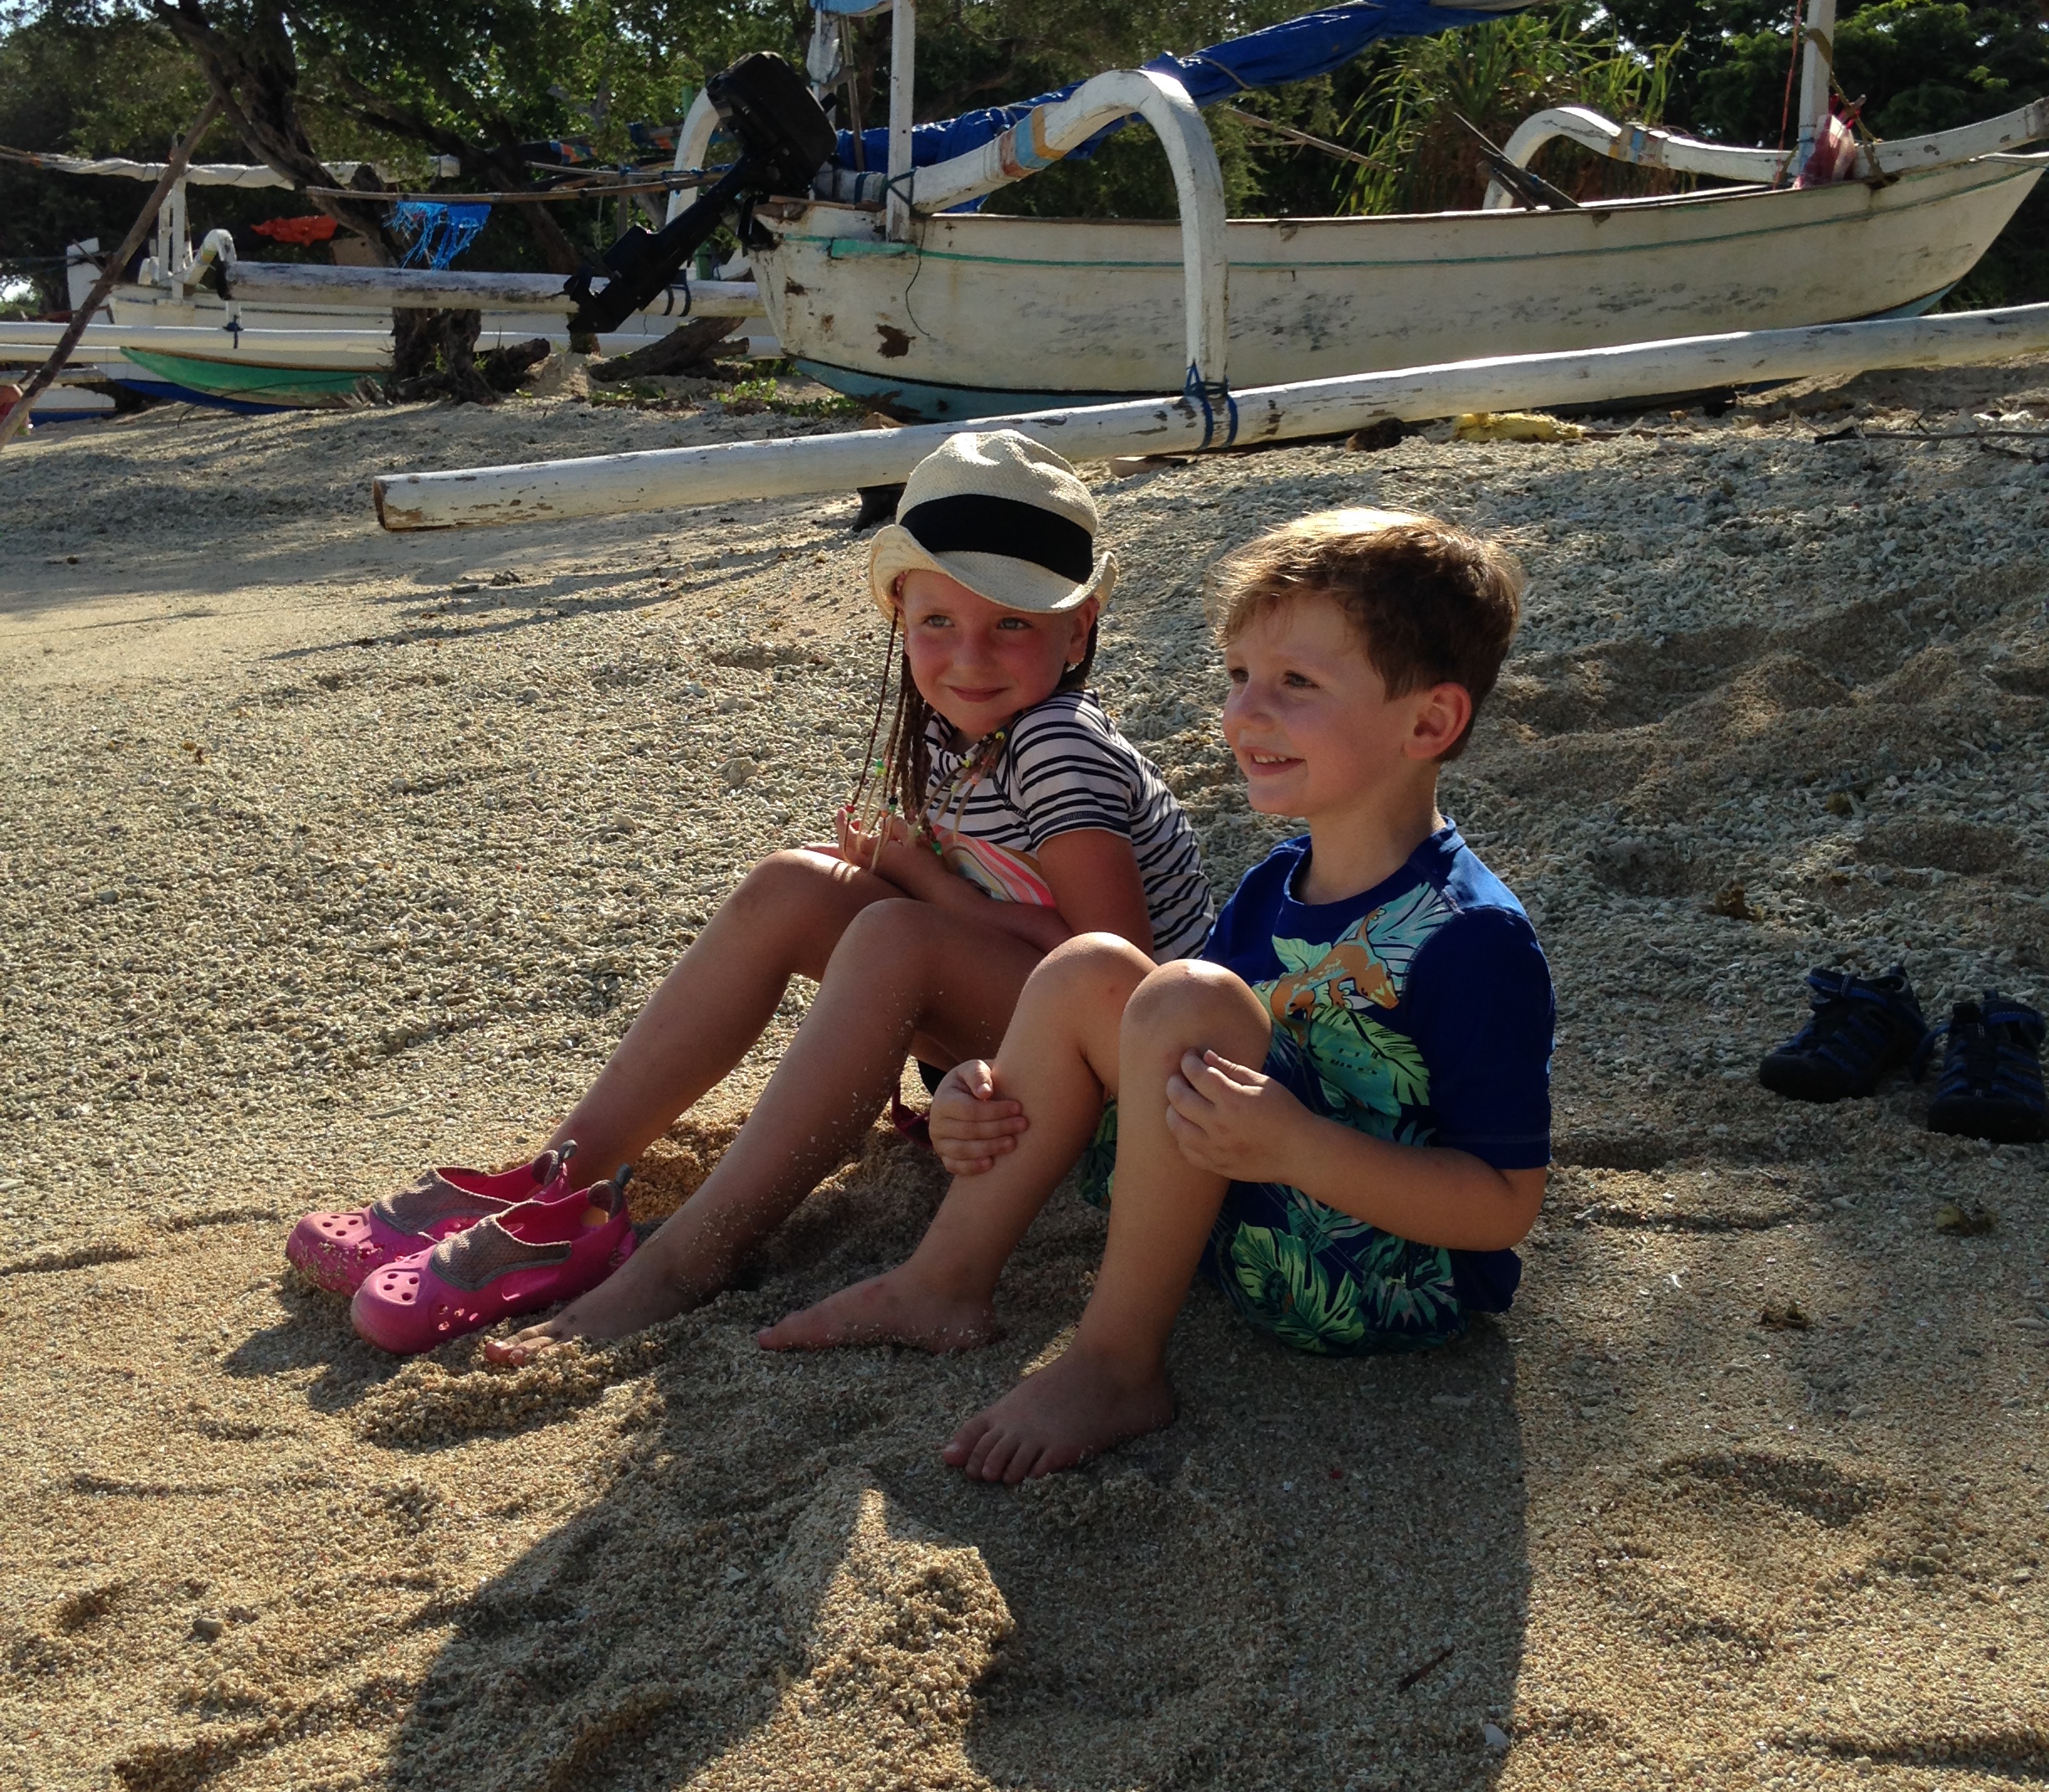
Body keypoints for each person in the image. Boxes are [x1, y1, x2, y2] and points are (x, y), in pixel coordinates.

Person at [285, 429, 1215, 1354]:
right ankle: (560, 1181)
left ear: (1078, 628)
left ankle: (684, 1262)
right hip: (1022, 1026)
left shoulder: (1057, 744)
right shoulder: (956, 730)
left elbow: (1112, 968)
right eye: (939, 622)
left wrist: (921, 880)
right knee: (792, 886)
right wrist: (906, 884)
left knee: (896, 934)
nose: (969, 657)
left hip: (1126, 1080)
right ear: (900, 614)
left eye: (1011, 623)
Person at [760, 508, 1553, 1484]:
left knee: (1176, 991)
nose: (1245, 714)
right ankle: (944, 1278)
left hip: (1371, 1280)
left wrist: (1297, 1145)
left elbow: (1503, 1206)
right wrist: (987, 1087)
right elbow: (1156, 1044)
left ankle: (1115, 1362)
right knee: (1093, 967)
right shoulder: (1275, 883)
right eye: (1239, 676)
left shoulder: (1469, 934)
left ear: (1428, 723)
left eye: (1296, 684)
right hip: (1232, 1218)